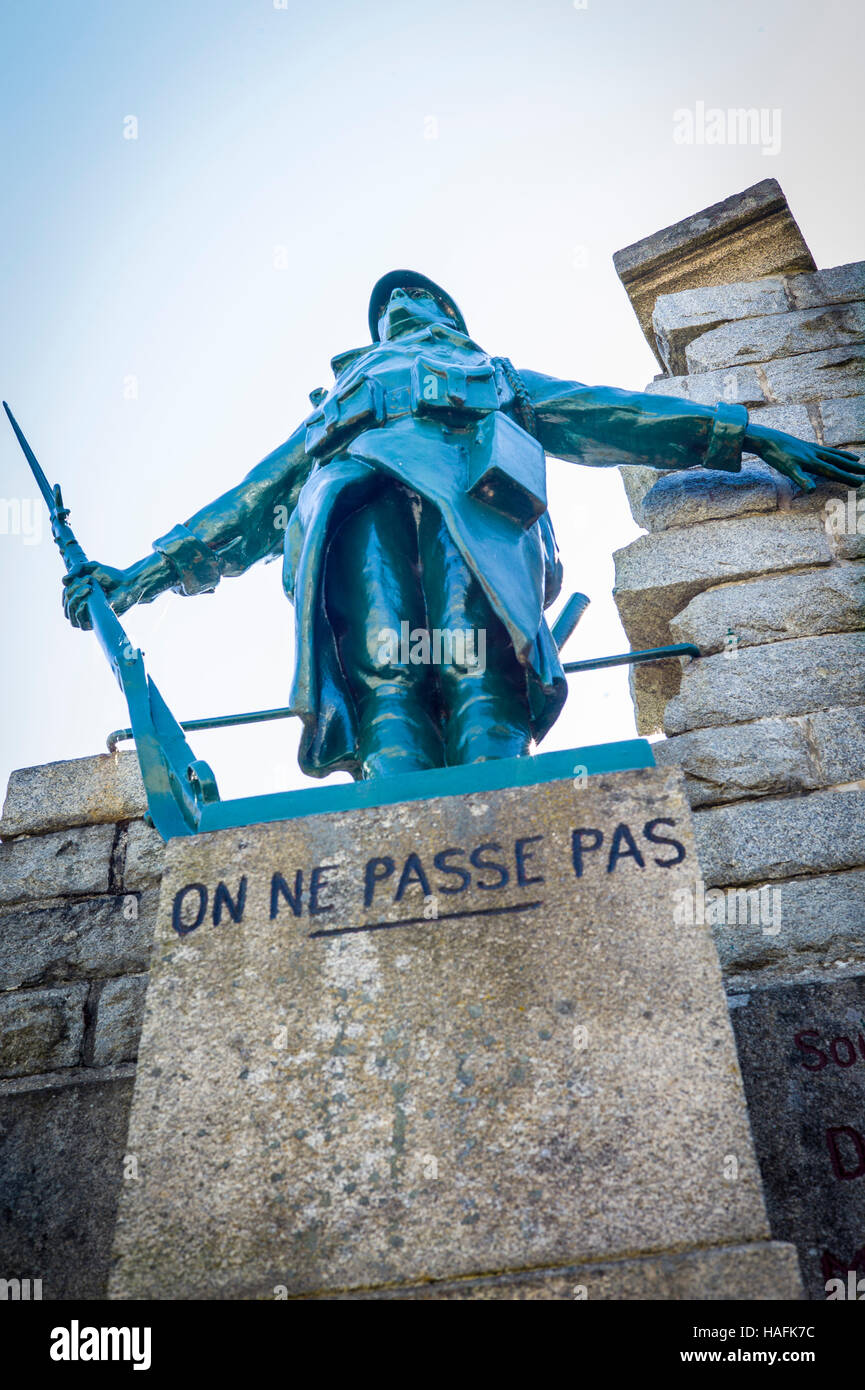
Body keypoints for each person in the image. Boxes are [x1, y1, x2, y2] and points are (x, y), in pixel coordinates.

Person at [64, 270, 865, 780]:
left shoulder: (495, 377)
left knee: (481, 666)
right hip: (355, 507)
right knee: (382, 677)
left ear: (449, 314)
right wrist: (144, 572)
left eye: (419, 297)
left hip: (478, 509)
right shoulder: (333, 412)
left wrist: (743, 434)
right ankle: (392, 821)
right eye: (390, 304)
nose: (402, 306)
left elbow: (605, 413)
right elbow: (252, 501)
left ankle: (506, 812)